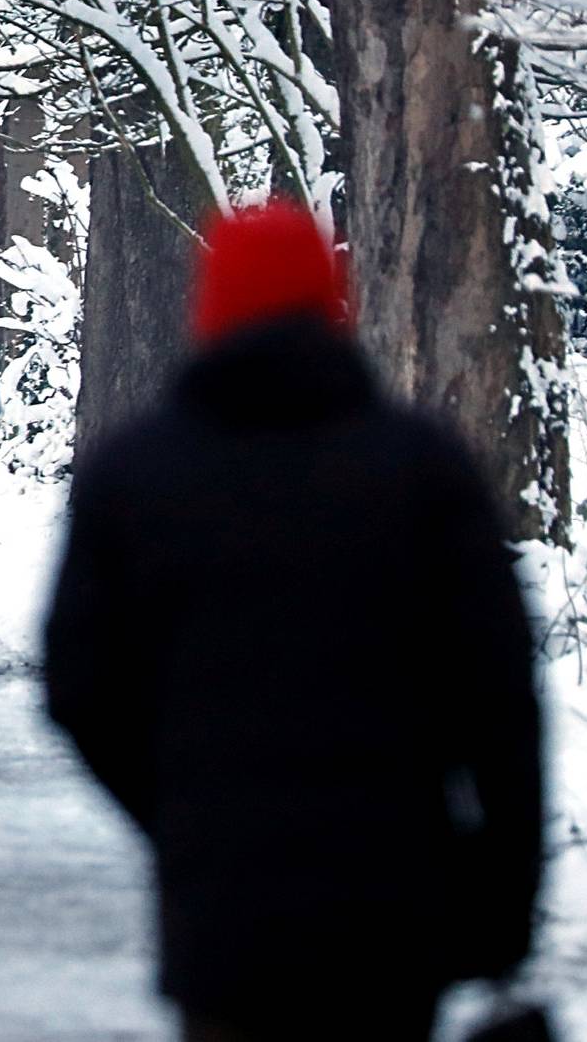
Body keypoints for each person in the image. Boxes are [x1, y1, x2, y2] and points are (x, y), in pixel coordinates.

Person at [43, 200, 544, 1042]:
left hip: (224, 909)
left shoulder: (136, 476)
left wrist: (176, 807)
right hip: (392, 902)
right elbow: (500, 704)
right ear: (333, 307)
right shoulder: (422, 470)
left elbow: (80, 686)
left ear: (208, 311)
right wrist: (503, 898)